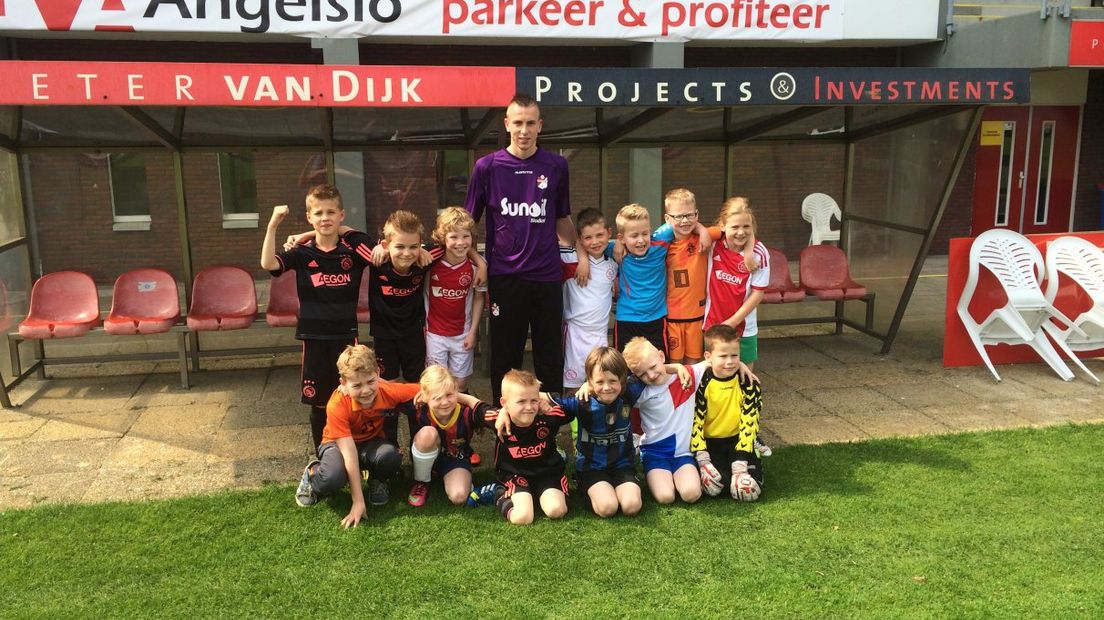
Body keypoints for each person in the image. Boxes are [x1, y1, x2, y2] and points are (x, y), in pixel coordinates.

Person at [463, 93, 580, 403]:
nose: (524, 130)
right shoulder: (486, 167)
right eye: (517, 123)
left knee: (549, 356)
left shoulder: (556, 165)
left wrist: (582, 254)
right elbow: (464, 223)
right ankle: (507, 427)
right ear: (506, 124)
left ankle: (549, 428)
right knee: (505, 356)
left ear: (540, 125)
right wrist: (479, 261)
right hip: (505, 277)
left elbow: (561, 218)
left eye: (530, 123)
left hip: (546, 278)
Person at [260, 184, 370, 453]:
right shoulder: (302, 252)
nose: (325, 218)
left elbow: (372, 245)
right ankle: (323, 455)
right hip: (314, 336)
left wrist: (306, 233)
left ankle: (355, 455)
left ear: (342, 215)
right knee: (319, 402)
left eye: (331, 212)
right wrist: (273, 224)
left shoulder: (353, 251)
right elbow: (268, 264)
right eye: (318, 213)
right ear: (309, 216)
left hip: (346, 336)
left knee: (352, 395)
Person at [294, 345, 418, 527]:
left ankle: (378, 480)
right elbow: (348, 451)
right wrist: (358, 502)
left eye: (370, 381)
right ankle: (313, 475)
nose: (366, 390)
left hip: (370, 443)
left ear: (377, 374)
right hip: (337, 445)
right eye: (357, 385)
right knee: (333, 478)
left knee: (391, 456)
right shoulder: (337, 404)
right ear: (343, 383)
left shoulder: (386, 390)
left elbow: (427, 389)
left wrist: (467, 401)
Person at [553, 347, 644, 518]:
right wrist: (505, 410)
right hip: (592, 468)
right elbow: (543, 398)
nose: (607, 387)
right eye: (600, 382)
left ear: (623, 380)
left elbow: (652, 371)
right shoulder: (581, 400)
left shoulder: (628, 393)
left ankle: (617, 488)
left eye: (613, 381)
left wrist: (678, 368)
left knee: (631, 506)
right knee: (607, 508)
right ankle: (582, 484)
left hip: (623, 466)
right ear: (590, 380)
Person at [613, 203, 707, 355]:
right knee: (624, 368)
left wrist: (703, 231)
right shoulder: (614, 249)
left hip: (656, 319)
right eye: (634, 235)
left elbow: (684, 222)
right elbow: (587, 243)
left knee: (659, 366)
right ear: (621, 238)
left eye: (645, 233)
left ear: (650, 230)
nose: (641, 240)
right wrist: (615, 244)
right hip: (627, 319)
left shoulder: (660, 240)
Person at [619, 337, 705, 505]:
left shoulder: (687, 376)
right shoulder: (639, 391)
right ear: (635, 375)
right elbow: (610, 385)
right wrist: (588, 386)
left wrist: (742, 367)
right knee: (665, 497)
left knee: (691, 493)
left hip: (683, 454)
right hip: (654, 453)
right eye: (642, 373)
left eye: (653, 367)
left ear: (661, 356)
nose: (650, 375)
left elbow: (715, 361)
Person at [485, 369, 573, 525]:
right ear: (504, 402)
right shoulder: (498, 419)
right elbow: (474, 405)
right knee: (523, 518)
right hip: (516, 477)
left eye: (533, 400)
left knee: (556, 510)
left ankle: (540, 494)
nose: (529, 407)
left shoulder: (549, 416)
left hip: (547, 474)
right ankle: (497, 492)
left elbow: (575, 403)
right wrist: (503, 411)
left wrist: (547, 398)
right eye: (521, 401)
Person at [405, 365, 498, 508]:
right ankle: (422, 481)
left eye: (449, 394)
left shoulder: (466, 412)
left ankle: (463, 482)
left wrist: (465, 399)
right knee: (427, 434)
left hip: (455, 460)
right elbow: (387, 400)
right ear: (425, 397)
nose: (445, 402)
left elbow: (490, 415)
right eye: (437, 398)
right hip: (427, 454)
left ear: (456, 390)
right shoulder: (418, 409)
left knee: (459, 497)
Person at [691, 325, 764, 502]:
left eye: (734, 356)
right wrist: (702, 457)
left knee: (748, 490)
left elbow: (750, 422)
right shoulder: (700, 382)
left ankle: (752, 459)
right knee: (717, 486)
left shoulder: (748, 382)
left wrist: (740, 462)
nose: (730, 362)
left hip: (738, 441)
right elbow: (695, 420)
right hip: (711, 443)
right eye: (723, 356)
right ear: (708, 357)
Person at [424, 207, 487, 394]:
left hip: (462, 334)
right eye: (453, 237)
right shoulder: (429, 264)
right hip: (434, 335)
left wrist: (473, 331)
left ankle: (461, 422)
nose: (460, 243)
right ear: (443, 238)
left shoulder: (477, 267)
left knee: (460, 385)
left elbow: (478, 298)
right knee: (437, 384)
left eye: (465, 236)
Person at [703, 196, 769, 370]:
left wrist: (732, 322)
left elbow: (758, 293)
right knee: (712, 372)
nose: (741, 232)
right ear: (723, 226)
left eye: (746, 226)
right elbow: (696, 230)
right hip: (712, 322)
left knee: (744, 373)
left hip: (743, 326)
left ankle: (745, 398)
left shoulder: (759, 254)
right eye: (735, 227)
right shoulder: (714, 243)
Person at [560, 207, 618, 392]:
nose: (595, 242)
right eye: (588, 238)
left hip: (601, 333)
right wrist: (582, 257)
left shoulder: (613, 262)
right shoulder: (570, 260)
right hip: (575, 334)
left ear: (609, 233)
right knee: (574, 387)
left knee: (600, 383)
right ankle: (576, 422)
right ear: (580, 238)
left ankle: (592, 420)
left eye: (600, 235)